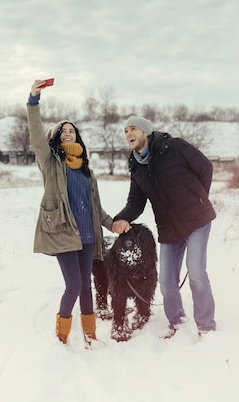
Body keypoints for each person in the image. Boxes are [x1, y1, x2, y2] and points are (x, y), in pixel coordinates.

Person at [26, 79, 114, 347]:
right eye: (62, 130)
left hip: (87, 234)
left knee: (86, 286)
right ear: (56, 136)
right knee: (74, 286)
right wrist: (33, 100)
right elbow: (35, 132)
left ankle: (90, 333)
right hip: (63, 231)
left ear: (77, 137)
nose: (67, 132)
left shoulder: (86, 171)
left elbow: (95, 208)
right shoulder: (50, 163)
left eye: (71, 130)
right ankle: (62, 334)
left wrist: (113, 223)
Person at [112, 116, 217, 337]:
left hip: (196, 220)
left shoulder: (174, 147)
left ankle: (206, 327)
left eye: (133, 129)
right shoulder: (136, 166)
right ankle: (176, 322)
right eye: (125, 131)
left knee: (196, 271)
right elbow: (136, 201)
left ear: (146, 132)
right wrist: (122, 218)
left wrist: (198, 199)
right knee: (166, 280)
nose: (128, 134)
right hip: (169, 228)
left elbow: (205, 167)